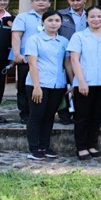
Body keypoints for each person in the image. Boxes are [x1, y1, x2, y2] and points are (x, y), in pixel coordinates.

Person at [68, 6, 101, 160]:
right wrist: (81, 81)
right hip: (85, 82)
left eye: (99, 16)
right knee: (82, 115)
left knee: (97, 115)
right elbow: (74, 60)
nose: (96, 19)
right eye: (92, 16)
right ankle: (81, 147)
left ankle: (92, 144)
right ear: (86, 18)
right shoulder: (79, 36)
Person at [24, 10, 73, 161]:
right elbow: (32, 63)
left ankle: (45, 146)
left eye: (57, 21)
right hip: (38, 83)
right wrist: (37, 86)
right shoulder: (35, 39)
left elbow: (67, 63)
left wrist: (72, 83)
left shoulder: (64, 41)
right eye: (50, 20)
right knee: (36, 116)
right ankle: (34, 148)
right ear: (43, 22)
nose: (54, 23)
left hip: (57, 84)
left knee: (49, 116)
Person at [12, 0, 52, 124]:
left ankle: (41, 112)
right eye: (37, 0)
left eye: (44, 0)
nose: (41, 2)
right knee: (24, 87)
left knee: (43, 86)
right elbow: (16, 36)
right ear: (31, 3)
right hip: (26, 58)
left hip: (47, 59)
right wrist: (16, 54)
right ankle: (25, 114)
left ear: (49, 3)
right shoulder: (23, 17)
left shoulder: (53, 17)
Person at [57, 0, 88, 125]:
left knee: (82, 84)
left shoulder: (91, 15)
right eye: (72, 0)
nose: (75, 3)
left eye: (79, 0)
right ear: (68, 0)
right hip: (65, 56)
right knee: (65, 85)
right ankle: (65, 114)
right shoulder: (60, 15)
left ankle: (79, 113)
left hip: (86, 56)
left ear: (85, 0)